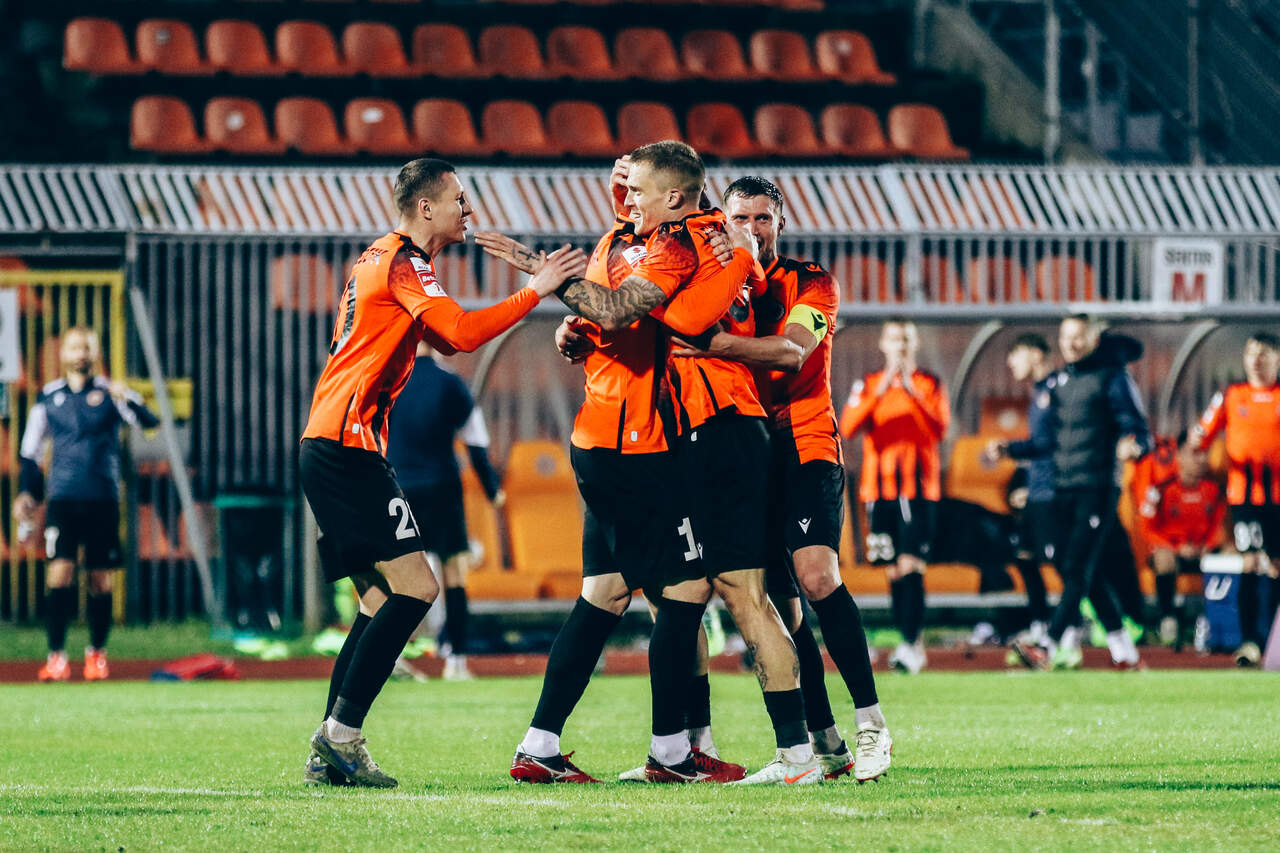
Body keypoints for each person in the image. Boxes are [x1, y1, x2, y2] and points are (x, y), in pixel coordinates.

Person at [492, 141, 820, 786]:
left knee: (622, 592)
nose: (625, 197)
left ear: (673, 196)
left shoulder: (701, 244)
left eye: (634, 188)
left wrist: (554, 284)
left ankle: (551, 744)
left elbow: (660, 314)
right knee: (693, 592)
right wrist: (578, 327)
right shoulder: (636, 240)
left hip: (681, 434)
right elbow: (616, 311)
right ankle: (691, 752)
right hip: (638, 444)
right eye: (624, 188)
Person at [299, 157, 584, 788]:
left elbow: (429, 340)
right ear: (426, 207)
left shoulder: (378, 257)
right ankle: (339, 737)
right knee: (417, 589)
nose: (468, 208)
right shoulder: (403, 260)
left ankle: (332, 747)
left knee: (378, 601)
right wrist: (536, 288)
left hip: (332, 443)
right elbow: (461, 333)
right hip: (347, 448)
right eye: (459, 197)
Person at [670, 176, 891, 782]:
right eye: (739, 218)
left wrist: (712, 346)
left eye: (762, 218)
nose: (751, 229)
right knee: (783, 608)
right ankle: (825, 745)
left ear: (780, 224)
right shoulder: (715, 283)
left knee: (817, 575)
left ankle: (873, 726)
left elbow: (793, 352)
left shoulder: (812, 281)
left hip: (806, 438)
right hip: (747, 448)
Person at [16, 326, 159, 682]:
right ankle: (56, 657)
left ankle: (97, 654)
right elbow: (31, 452)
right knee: (59, 573)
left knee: (100, 579)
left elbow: (150, 424)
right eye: (75, 347)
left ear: (96, 354)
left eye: (87, 347)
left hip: (103, 498)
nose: (81, 353)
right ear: (63, 354)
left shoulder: (111, 394)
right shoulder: (49, 397)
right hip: (63, 498)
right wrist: (27, 493)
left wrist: (127, 397)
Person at [1010, 316, 1149, 671]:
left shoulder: (1112, 377)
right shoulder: (1060, 381)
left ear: (1093, 339)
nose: (1071, 343)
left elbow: (1137, 427)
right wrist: (1013, 455)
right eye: (1066, 336)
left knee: (1075, 566)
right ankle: (1124, 650)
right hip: (1062, 487)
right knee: (1081, 569)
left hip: (1098, 486)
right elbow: (1046, 441)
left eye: (1079, 336)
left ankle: (1048, 644)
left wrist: (1134, 445)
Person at [385, 342, 505, 682]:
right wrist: (492, 490)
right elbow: (476, 440)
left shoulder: (391, 381)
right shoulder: (451, 383)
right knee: (454, 572)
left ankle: (389, 657)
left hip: (397, 489)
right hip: (442, 488)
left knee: (398, 579)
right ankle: (456, 660)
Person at [839, 320, 950, 674]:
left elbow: (941, 427)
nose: (900, 346)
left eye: (905, 339)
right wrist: (884, 386)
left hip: (918, 489)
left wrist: (913, 394)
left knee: (911, 564)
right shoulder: (870, 383)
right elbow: (848, 426)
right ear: (883, 345)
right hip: (879, 490)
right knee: (892, 569)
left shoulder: (929, 383)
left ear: (914, 344)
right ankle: (909, 642)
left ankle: (911, 643)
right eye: (893, 339)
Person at [1191, 331, 1280, 667]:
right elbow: (1201, 435)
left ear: (1277, 359)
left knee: (1275, 567)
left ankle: (1270, 643)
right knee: (1252, 563)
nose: (1257, 360)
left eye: (1264, 353)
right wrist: (1198, 441)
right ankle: (1251, 642)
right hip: (1245, 499)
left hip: (1279, 498)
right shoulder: (1231, 395)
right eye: (1251, 353)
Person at [984, 333, 1057, 644]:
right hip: (1038, 490)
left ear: (1035, 354)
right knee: (1025, 556)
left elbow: (1052, 444)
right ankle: (1043, 624)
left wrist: (1010, 449)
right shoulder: (1040, 392)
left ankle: (1073, 627)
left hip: (1053, 491)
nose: (1010, 362)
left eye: (1015, 353)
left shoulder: (1056, 391)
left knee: (1067, 564)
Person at [1137, 430, 1225, 645]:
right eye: (1195, 453)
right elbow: (1147, 529)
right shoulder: (1162, 490)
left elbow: (1220, 526)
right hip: (1174, 552)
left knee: (1231, 555)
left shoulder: (1214, 490)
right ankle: (1167, 619)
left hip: (1203, 553)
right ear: (1180, 456)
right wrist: (1175, 548)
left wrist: (1208, 546)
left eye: (1204, 453)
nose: (1200, 459)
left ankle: (1222, 623)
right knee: (1164, 559)